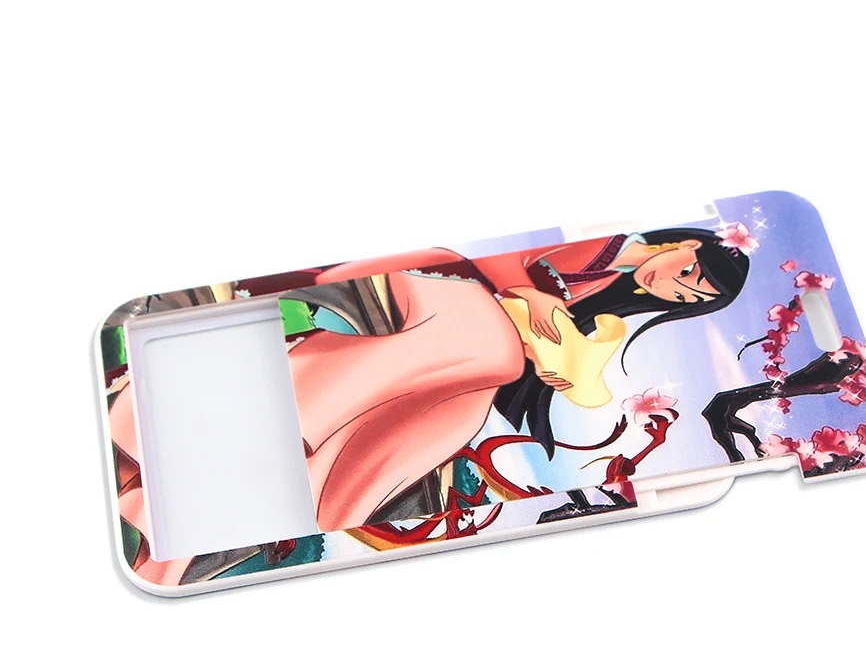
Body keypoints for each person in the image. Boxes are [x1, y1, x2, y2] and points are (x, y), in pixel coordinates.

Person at [110, 227, 750, 583]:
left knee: (455, 415)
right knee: (488, 348)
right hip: (444, 287)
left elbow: (562, 369)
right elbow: (501, 256)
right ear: (685, 247)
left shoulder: (612, 305)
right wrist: (531, 295)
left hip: (474, 350)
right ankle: (258, 439)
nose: (682, 290)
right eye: (692, 276)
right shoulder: (604, 243)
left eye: (693, 300)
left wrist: (565, 360)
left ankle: (284, 493)